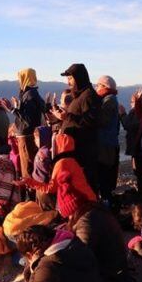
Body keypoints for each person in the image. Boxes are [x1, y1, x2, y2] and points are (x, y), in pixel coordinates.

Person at [19, 134, 136, 282]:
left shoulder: (87, 220)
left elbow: (82, 256)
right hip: (110, 269)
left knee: (54, 271)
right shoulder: (72, 164)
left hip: (108, 277)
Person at [51, 64, 102, 192]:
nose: (68, 82)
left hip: (84, 151)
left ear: (79, 78)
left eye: (70, 78)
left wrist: (67, 117)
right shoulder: (80, 95)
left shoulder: (88, 96)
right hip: (76, 150)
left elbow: (91, 121)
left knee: (86, 185)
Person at [3, 68, 45, 183]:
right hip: (29, 135)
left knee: (27, 167)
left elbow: (27, 119)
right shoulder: (32, 93)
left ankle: (30, 196)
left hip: (27, 137)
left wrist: (12, 109)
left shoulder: (29, 95)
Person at [95, 75, 121, 206]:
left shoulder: (109, 100)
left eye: (98, 85)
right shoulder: (110, 99)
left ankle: (107, 206)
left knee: (104, 176)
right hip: (108, 144)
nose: (96, 88)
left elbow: (102, 121)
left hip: (106, 146)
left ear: (105, 87)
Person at [30, 126, 55, 211]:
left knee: (46, 211)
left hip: (43, 187)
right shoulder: (44, 151)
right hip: (40, 186)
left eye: (36, 138)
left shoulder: (44, 153)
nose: (34, 141)